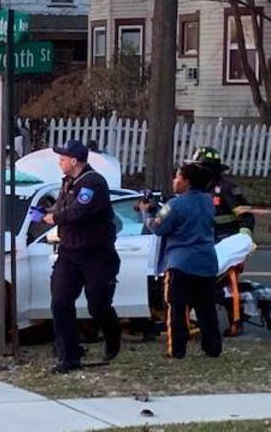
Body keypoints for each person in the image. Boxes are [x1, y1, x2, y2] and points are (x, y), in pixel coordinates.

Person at [42, 139, 121, 374]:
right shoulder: (68, 182)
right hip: (69, 252)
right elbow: (62, 208)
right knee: (60, 301)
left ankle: (112, 335)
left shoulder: (93, 183)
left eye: (63, 159)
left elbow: (79, 211)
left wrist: (55, 218)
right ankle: (69, 355)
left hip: (96, 254)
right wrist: (46, 213)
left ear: (74, 161)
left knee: (98, 305)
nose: (60, 163)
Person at [140, 163, 222, 360]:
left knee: (176, 309)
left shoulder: (175, 205)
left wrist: (146, 212)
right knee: (206, 309)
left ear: (186, 181)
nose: (174, 181)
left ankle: (176, 350)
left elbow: (158, 228)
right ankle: (213, 348)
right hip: (207, 262)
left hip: (181, 264)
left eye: (177, 177)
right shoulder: (208, 201)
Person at [191, 146, 254, 336]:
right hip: (205, 243)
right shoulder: (198, 190)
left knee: (225, 283)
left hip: (226, 243)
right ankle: (196, 320)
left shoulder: (226, 188)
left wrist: (241, 242)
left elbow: (246, 217)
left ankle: (236, 321)